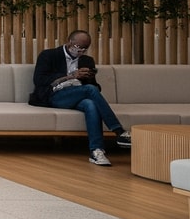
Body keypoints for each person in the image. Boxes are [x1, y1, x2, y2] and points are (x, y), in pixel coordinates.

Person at [30, 30, 132, 166]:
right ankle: (119, 132)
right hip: (54, 95)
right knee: (89, 90)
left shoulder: (87, 61)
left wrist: (88, 78)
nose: (81, 51)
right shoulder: (49, 55)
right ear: (70, 42)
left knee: (90, 104)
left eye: (85, 49)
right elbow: (39, 80)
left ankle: (96, 151)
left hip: (78, 93)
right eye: (78, 47)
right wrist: (71, 76)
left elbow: (94, 87)